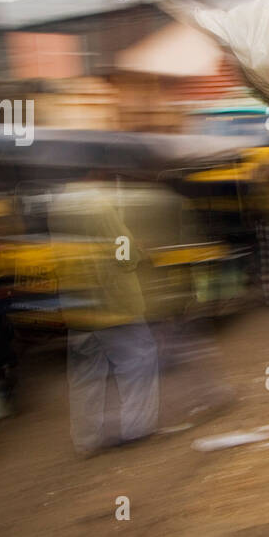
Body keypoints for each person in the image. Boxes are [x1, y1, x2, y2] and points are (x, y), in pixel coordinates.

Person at [47, 173, 160, 457]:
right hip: (114, 303)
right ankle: (137, 428)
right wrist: (139, 252)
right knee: (137, 361)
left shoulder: (57, 205)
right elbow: (124, 251)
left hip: (78, 304)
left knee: (85, 375)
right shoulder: (99, 203)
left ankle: (86, 441)